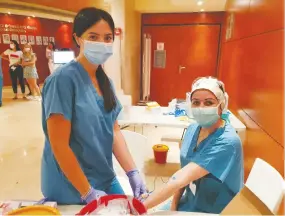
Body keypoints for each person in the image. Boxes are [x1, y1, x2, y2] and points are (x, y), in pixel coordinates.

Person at [41, 7, 147, 205]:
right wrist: (87, 192)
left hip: (103, 175)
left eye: (108, 38)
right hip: (71, 183)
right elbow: (59, 144)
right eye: (93, 36)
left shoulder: (106, 82)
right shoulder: (62, 80)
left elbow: (114, 130)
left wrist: (132, 171)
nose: (102, 43)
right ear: (78, 38)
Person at [143, 77, 244, 214]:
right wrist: (173, 205)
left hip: (216, 210)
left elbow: (180, 179)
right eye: (196, 102)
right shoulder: (192, 129)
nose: (201, 108)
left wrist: (141, 206)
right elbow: (182, 173)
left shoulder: (228, 142)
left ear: (221, 105)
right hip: (190, 202)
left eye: (209, 103)